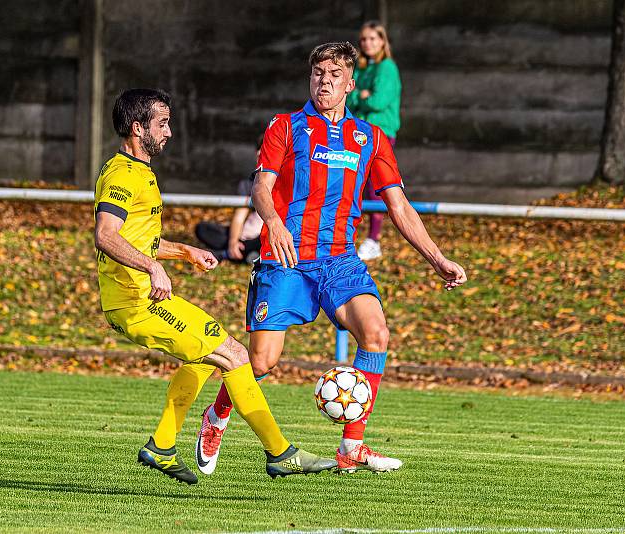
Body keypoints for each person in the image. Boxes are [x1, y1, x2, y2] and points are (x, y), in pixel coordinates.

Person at [195, 43, 466, 475]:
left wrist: (437, 258)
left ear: (350, 83)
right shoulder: (285, 127)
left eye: (334, 73)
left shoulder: (370, 138)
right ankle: (217, 417)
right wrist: (275, 224)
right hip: (283, 255)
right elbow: (260, 189)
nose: (325, 80)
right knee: (261, 361)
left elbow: (398, 206)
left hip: (339, 260)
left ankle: (351, 447)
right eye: (318, 72)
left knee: (375, 332)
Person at [93, 88, 336, 484]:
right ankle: (280, 453)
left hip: (136, 297)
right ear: (138, 128)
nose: (169, 132)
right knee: (235, 355)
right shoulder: (123, 174)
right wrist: (153, 268)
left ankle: (162, 445)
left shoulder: (137, 171)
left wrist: (181, 252)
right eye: (162, 123)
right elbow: (106, 235)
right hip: (136, 301)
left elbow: (135, 238)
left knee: (203, 358)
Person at [347, 21, 402, 261]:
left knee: (376, 187)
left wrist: (358, 97)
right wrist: (361, 95)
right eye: (364, 39)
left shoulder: (387, 68)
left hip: (380, 134)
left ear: (382, 41)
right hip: (356, 133)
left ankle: (374, 239)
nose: (368, 43)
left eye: (372, 38)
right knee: (352, 184)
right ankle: (349, 236)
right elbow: (347, 99)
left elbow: (379, 101)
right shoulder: (359, 68)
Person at [195, 138, 264, 264]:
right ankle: (245, 253)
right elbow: (239, 217)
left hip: (267, 234)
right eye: (259, 152)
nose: (261, 156)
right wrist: (233, 241)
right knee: (203, 229)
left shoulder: (284, 182)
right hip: (247, 235)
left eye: (265, 152)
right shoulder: (249, 183)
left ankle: (227, 254)